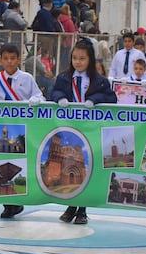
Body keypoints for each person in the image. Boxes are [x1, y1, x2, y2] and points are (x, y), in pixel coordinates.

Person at [50, 40, 117, 225]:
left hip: (91, 131)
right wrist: (60, 97)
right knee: (68, 168)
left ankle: (82, 210)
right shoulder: (64, 78)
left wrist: (95, 99)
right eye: (74, 58)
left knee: (85, 169)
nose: (78, 62)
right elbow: (52, 92)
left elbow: (112, 98)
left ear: (90, 59)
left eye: (82, 58)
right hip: (70, 131)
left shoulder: (100, 81)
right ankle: (71, 205)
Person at [0, 44, 44, 219]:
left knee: (18, 164)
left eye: (13, 58)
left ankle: (16, 203)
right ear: (0, 60)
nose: (9, 62)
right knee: (0, 163)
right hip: (1, 127)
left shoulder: (27, 78)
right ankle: (7, 204)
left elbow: (39, 95)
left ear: (19, 59)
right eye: (5, 58)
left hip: (21, 128)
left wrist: (35, 99)